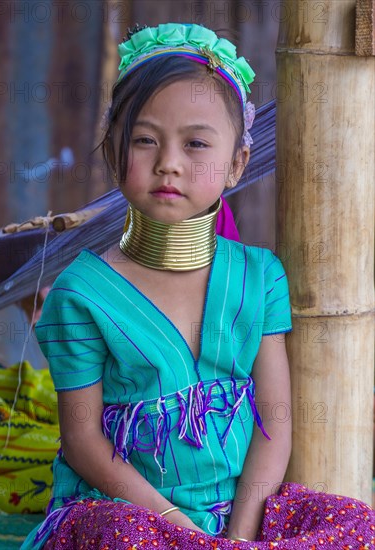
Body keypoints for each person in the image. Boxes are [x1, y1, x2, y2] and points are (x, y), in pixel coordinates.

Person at [22, 22, 373, 549]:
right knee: (118, 536)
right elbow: (82, 441)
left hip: (240, 515)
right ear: (115, 157)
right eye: (144, 140)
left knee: (353, 522)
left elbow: (273, 421)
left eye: (196, 144)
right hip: (130, 516)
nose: (168, 162)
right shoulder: (80, 295)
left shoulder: (259, 277)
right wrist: (179, 529)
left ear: (237, 164)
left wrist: (238, 534)